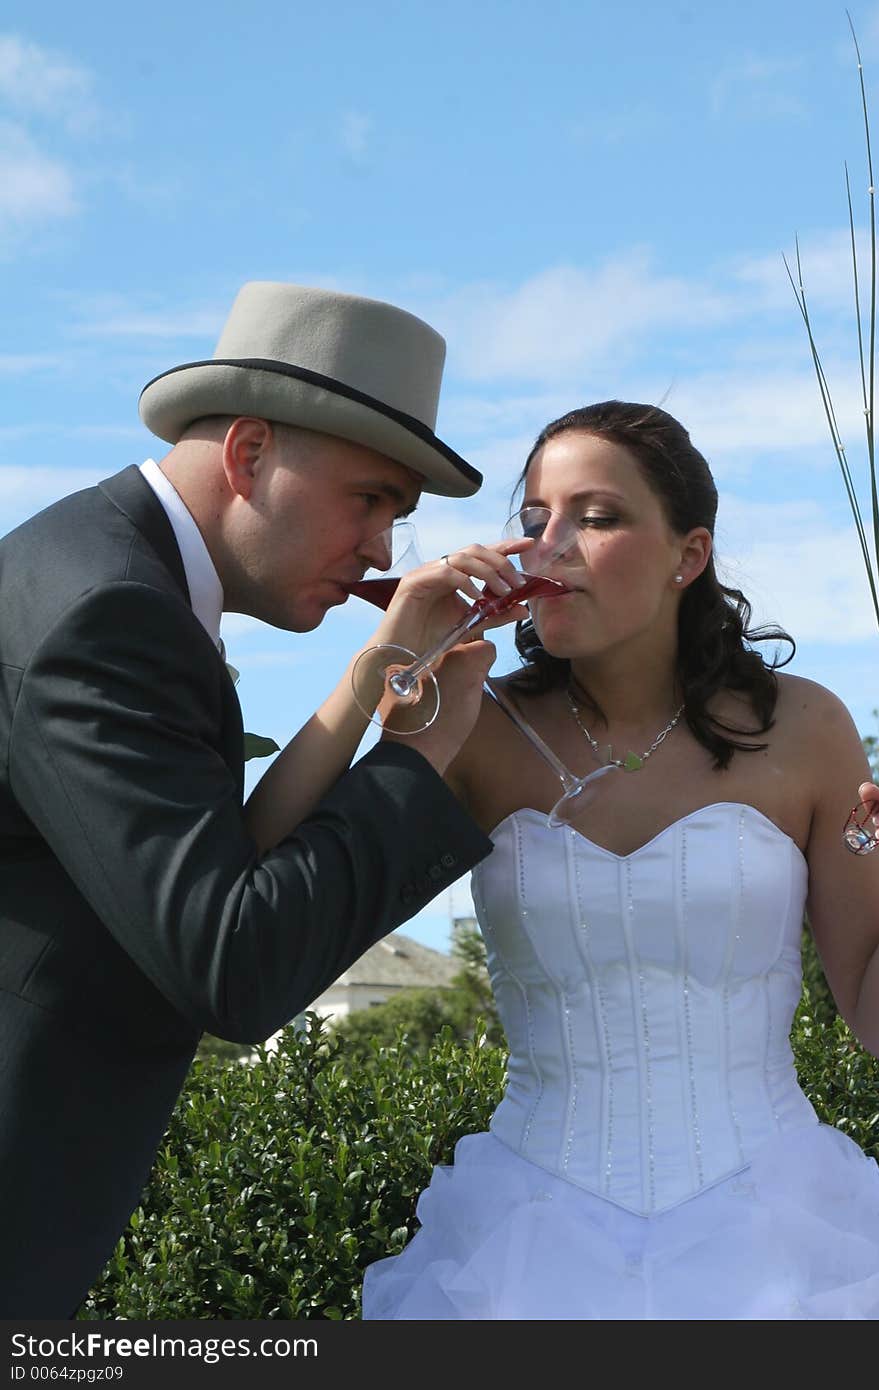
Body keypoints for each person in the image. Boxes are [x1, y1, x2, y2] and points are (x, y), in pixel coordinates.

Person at [0, 281, 531, 1317]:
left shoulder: (106, 565)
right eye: (369, 498)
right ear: (248, 453)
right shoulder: (113, 613)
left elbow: (218, 867)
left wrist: (377, 675)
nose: (384, 549)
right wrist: (420, 758)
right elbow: (232, 963)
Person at [360, 399, 879, 1320]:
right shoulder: (474, 725)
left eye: (594, 518)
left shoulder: (807, 729)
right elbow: (291, 912)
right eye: (532, 522)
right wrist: (381, 676)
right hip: (529, 1237)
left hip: (778, 1230)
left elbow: (870, 1013)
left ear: (689, 554)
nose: (549, 548)